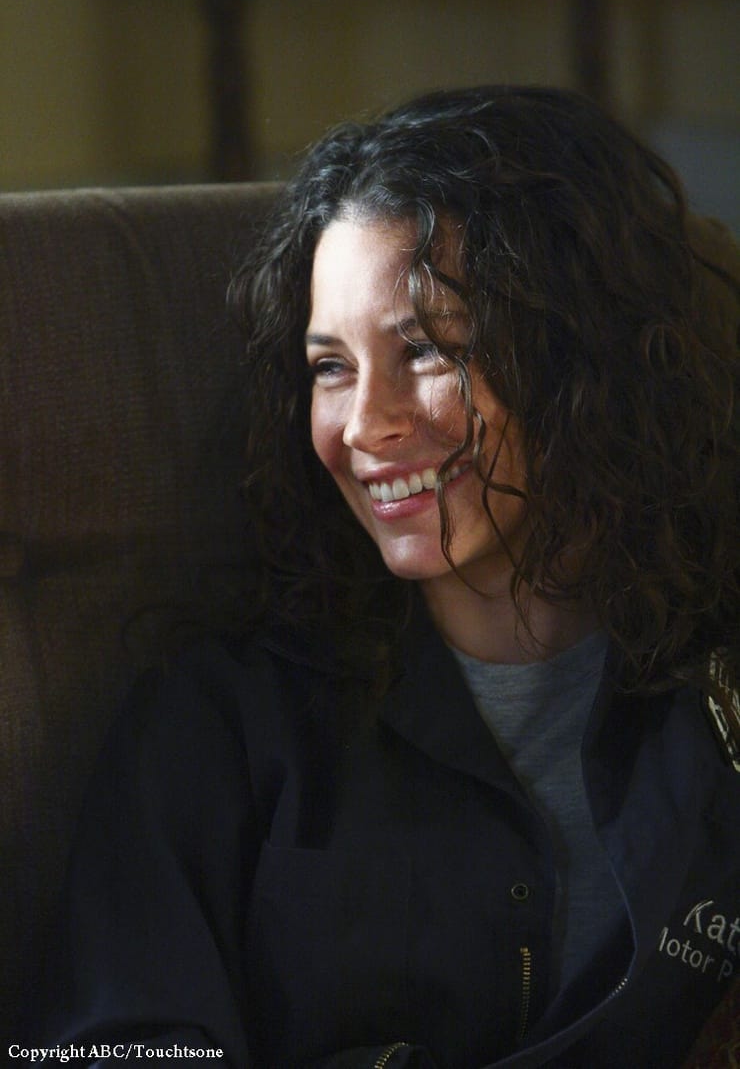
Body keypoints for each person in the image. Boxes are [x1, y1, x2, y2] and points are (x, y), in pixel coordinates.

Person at [33, 86, 738, 1067]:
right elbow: (105, 1049)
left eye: (425, 350)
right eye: (330, 367)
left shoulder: (715, 697)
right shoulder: (219, 727)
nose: (365, 425)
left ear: (583, 357)